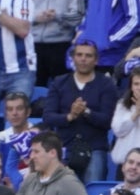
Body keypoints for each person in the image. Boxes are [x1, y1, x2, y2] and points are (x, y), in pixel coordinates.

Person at [43, 41, 118, 184]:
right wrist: (70, 116)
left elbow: (108, 121)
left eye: (88, 56)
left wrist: (86, 112)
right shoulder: (59, 82)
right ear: (73, 58)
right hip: (64, 147)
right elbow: (48, 117)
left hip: (94, 147)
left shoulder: (106, 84)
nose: (83, 59)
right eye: (79, 55)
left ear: (96, 60)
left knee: (93, 193)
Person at [74, 0, 140, 74]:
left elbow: (134, 20)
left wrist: (110, 42)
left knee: (107, 86)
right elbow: (89, 13)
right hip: (90, 54)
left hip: (111, 57)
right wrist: (81, 32)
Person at [27, 0, 84, 88]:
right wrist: (35, 17)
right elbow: (20, 13)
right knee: (33, 90)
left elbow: (78, 16)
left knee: (62, 89)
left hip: (60, 45)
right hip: (32, 45)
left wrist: (57, 16)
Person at [0, 91, 38, 190]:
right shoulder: (0, 139)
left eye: (19, 108)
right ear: (6, 114)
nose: (14, 113)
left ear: (28, 112)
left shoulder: (38, 135)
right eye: (10, 109)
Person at [111, 68, 140, 169]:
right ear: (131, 86)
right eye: (136, 84)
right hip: (125, 163)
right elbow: (118, 130)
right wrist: (136, 114)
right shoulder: (122, 105)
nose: (139, 88)